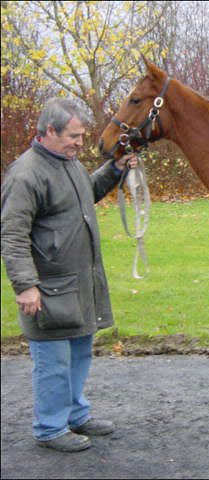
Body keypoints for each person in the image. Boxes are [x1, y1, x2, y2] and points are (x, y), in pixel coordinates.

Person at [1, 98, 137, 453]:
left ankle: (75, 415)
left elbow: (85, 194)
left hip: (78, 285)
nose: (80, 142)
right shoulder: (26, 173)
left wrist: (115, 169)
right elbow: (12, 235)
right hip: (47, 290)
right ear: (49, 131)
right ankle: (49, 428)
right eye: (73, 136)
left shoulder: (69, 163)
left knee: (79, 354)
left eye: (81, 135)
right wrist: (25, 285)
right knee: (53, 363)